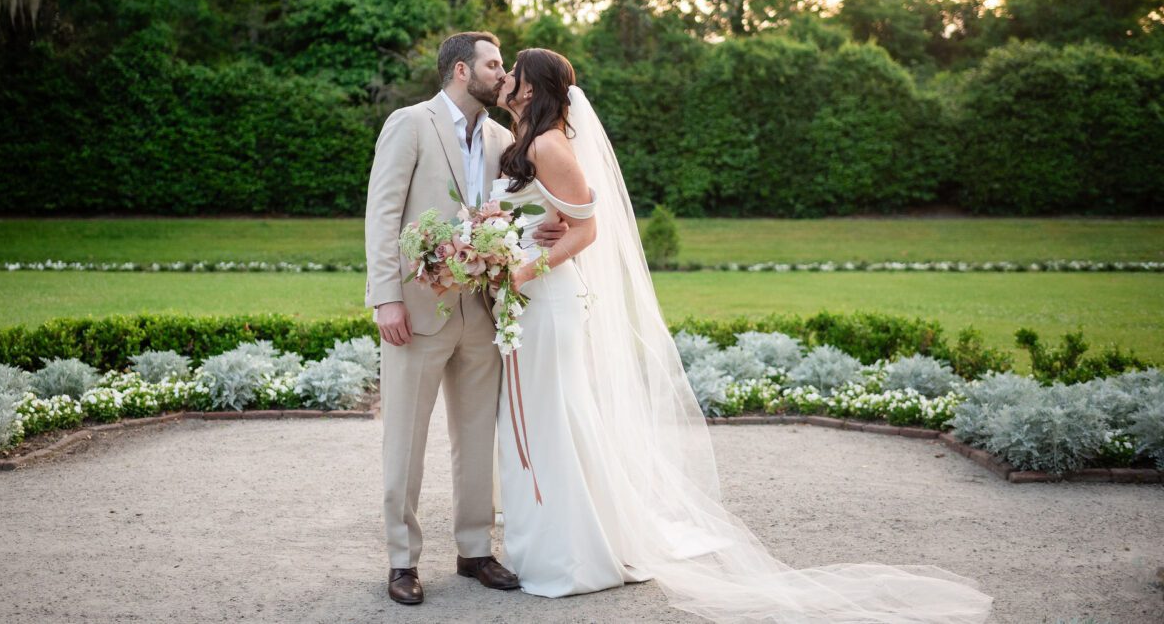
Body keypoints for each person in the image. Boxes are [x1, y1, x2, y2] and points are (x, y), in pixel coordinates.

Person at [489, 47, 995, 623]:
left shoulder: (551, 145)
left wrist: (526, 268)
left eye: (513, 74)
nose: (505, 79)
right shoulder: (523, 142)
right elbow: (526, 217)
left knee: (558, 416)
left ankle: (575, 555)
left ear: (532, 88)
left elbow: (588, 229)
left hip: (547, 299)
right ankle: (548, 544)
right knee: (537, 415)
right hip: (523, 303)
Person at [363, 31, 567, 606]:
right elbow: (382, 214)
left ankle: (475, 548)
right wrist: (386, 297)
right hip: (417, 309)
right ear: (460, 70)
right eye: (494, 64)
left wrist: (547, 230)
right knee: (405, 437)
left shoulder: (505, 136)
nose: (504, 75)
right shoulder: (410, 124)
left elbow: (517, 211)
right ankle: (402, 562)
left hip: (483, 310)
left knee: (478, 435)